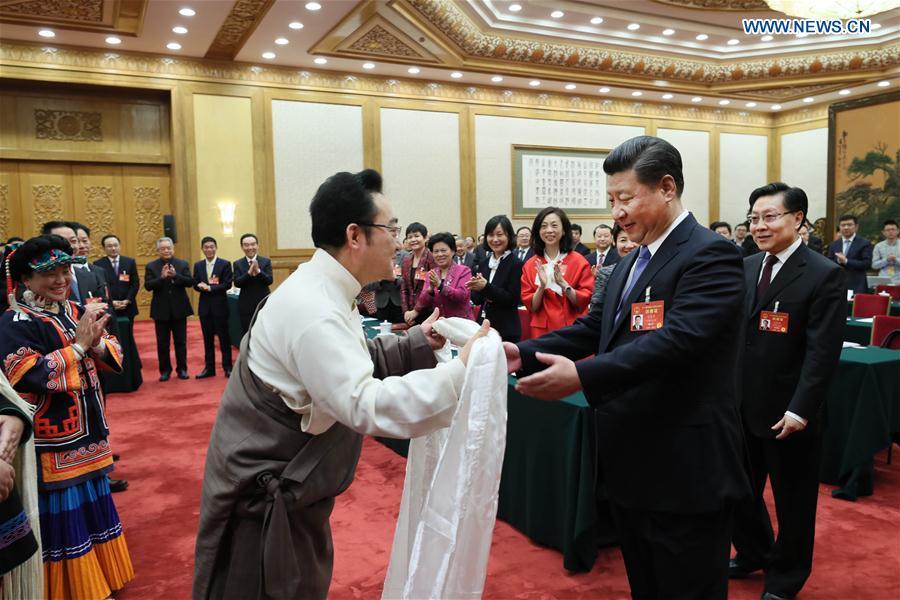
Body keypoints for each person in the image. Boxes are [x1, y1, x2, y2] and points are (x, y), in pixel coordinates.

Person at [193, 169, 489, 599]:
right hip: (259, 514)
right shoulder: (313, 308)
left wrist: (417, 341)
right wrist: (460, 371)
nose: (399, 242)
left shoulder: (327, 288)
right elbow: (365, 403)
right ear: (355, 235)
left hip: (293, 500)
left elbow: (353, 359)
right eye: (391, 229)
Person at [506, 136, 750, 599]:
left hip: (685, 467)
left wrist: (583, 376)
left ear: (667, 188)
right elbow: (594, 328)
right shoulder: (630, 261)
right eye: (611, 200)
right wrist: (522, 353)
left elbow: (679, 340)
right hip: (632, 465)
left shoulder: (709, 254)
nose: (616, 212)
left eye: (626, 198)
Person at [0, 235, 134, 598]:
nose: (61, 279)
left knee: (94, 501)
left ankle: (102, 578)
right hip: (53, 439)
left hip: (90, 430)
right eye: (50, 274)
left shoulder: (74, 309)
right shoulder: (16, 320)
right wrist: (78, 347)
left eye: (64, 271)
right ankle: (74, 589)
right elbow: (26, 374)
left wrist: (96, 342)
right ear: (25, 279)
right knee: (65, 513)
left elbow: (113, 350)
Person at [730, 183, 845, 600]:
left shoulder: (822, 273)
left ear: (798, 219)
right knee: (737, 493)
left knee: (794, 503)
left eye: (770, 217)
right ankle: (755, 552)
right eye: (754, 218)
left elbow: (822, 352)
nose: (759, 226)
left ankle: (785, 578)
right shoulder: (746, 267)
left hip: (788, 413)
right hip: (741, 406)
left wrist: (801, 409)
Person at [520, 207, 594, 339]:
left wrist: (563, 284)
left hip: (571, 327)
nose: (549, 230)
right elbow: (531, 306)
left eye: (554, 225)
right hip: (541, 329)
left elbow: (583, 301)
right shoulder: (531, 264)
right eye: (543, 226)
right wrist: (541, 287)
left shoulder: (579, 261)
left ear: (564, 230)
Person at [468, 215, 524, 342]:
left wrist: (485, 287)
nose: (495, 239)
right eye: (491, 235)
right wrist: (474, 287)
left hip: (506, 329)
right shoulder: (484, 263)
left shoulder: (516, 264)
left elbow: (512, 299)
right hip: (484, 326)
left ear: (509, 236)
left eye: (500, 235)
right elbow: (477, 300)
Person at [145, 237, 194, 381]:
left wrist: (176, 276)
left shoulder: (182, 264)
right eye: (163, 249)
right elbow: (148, 286)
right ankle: (165, 370)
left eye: (168, 248)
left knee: (181, 342)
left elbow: (190, 282)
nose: (166, 251)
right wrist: (161, 278)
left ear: (173, 249)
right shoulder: (151, 266)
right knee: (162, 343)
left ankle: (182, 369)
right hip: (161, 310)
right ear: (158, 251)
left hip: (179, 309)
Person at [406, 232, 473, 322]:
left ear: (453, 251)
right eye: (436, 251)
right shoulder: (431, 274)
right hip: (440, 324)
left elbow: (462, 296)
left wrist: (440, 286)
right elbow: (424, 302)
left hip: (461, 323)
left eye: (443, 250)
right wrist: (430, 290)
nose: (440, 254)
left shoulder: (464, 271)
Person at [193, 237, 233, 379]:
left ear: (216, 248)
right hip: (205, 308)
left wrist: (210, 288)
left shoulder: (225, 264)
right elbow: (195, 283)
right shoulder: (198, 265)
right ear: (202, 249)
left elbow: (227, 284)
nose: (209, 249)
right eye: (206, 247)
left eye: (211, 247)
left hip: (220, 306)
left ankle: (228, 367)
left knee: (224, 339)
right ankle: (209, 368)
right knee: (207, 339)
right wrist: (199, 286)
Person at [233, 233, 273, 338]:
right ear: (242, 247)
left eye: (253, 244)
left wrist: (259, 271)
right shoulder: (238, 263)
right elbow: (237, 283)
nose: (250, 247)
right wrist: (248, 273)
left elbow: (269, 280)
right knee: (247, 333)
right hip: (245, 304)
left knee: (264, 333)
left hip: (262, 302)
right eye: (246, 245)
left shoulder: (265, 261)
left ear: (257, 245)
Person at [94, 234, 140, 321]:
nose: (113, 248)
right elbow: (99, 286)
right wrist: (111, 302)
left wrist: (127, 300)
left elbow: (135, 283)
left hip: (128, 307)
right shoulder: (98, 264)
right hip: (109, 307)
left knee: (128, 329)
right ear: (104, 248)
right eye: (109, 246)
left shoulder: (129, 262)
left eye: (116, 245)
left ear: (119, 246)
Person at [827, 214, 873, 294]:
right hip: (838, 285)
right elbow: (829, 263)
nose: (846, 227)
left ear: (856, 227)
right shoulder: (834, 245)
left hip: (857, 285)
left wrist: (846, 261)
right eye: (843, 225)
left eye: (849, 225)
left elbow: (867, 264)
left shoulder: (864, 243)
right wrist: (838, 261)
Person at [400, 223, 436, 325]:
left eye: (416, 236)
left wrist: (416, 311)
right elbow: (404, 288)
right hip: (410, 313)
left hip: (428, 311)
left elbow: (431, 288)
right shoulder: (406, 259)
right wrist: (406, 312)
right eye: (410, 237)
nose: (413, 239)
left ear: (425, 238)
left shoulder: (431, 258)